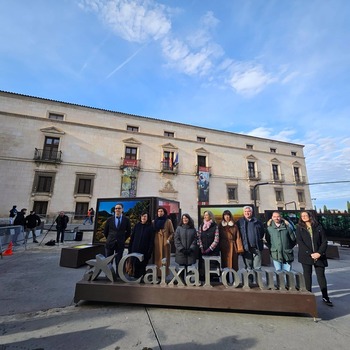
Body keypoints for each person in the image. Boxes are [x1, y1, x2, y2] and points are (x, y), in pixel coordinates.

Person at [296, 210, 333, 306]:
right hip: (306, 255)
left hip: (319, 255)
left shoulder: (318, 227)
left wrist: (319, 253)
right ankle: (308, 296)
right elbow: (300, 242)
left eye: (305, 215)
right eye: (302, 216)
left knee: (321, 276)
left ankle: (325, 297)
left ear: (310, 216)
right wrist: (310, 253)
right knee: (307, 276)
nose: (304, 217)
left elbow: (324, 241)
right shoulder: (299, 228)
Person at [104, 203, 131, 274]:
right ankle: (108, 275)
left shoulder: (126, 220)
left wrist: (122, 239)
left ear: (122, 209)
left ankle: (118, 275)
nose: (117, 210)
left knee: (118, 260)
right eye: (116, 208)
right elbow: (105, 232)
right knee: (108, 260)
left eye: (119, 208)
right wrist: (110, 238)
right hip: (110, 243)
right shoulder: (109, 219)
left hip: (120, 243)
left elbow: (128, 232)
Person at [128, 211, 155, 278]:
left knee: (142, 266)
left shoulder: (150, 227)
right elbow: (132, 238)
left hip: (144, 250)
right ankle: (136, 278)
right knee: (135, 265)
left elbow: (151, 241)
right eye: (142, 216)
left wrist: (149, 251)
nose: (143, 218)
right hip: (135, 249)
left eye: (145, 216)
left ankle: (142, 279)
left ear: (148, 218)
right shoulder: (137, 226)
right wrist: (130, 248)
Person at [237, 206, 265, 270]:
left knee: (257, 267)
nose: (247, 213)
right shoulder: (239, 222)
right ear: (243, 213)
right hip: (246, 248)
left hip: (257, 247)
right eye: (245, 211)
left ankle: (258, 280)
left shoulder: (257, 222)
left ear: (251, 212)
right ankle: (250, 280)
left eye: (248, 211)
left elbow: (262, 232)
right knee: (248, 267)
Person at [197, 210, 220, 281]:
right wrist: (201, 247)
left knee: (212, 267)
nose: (205, 216)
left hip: (213, 251)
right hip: (203, 251)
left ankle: (213, 281)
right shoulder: (201, 226)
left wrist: (210, 248)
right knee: (203, 268)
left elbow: (216, 239)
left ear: (210, 216)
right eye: (204, 215)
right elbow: (199, 237)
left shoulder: (215, 226)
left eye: (206, 215)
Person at [153, 206, 174, 278]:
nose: (160, 213)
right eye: (158, 211)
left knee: (165, 258)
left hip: (165, 243)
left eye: (161, 211)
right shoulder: (154, 222)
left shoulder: (168, 221)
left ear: (164, 212)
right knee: (158, 258)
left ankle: (164, 274)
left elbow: (172, 232)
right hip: (157, 243)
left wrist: (168, 240)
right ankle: (157, 274)